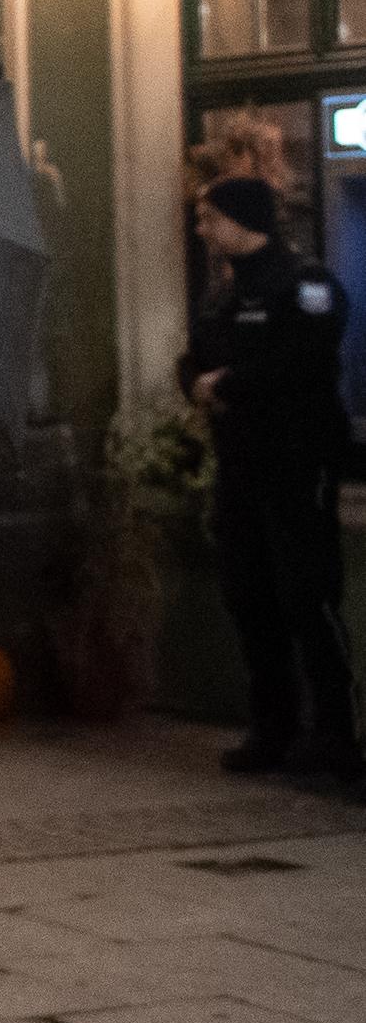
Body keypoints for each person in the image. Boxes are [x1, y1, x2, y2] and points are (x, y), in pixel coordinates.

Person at [183, 176, 360, 782]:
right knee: (250, 596)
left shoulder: (302, 284)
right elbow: (196, 357)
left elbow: (302, 359)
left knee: (306, 595)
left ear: (240, 219)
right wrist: (199, 383)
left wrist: (227, 385)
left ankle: (336, 734)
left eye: (209, 217)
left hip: (296, 463)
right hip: (241, 464)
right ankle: (273, 727)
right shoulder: (222, 295)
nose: (201, 229)